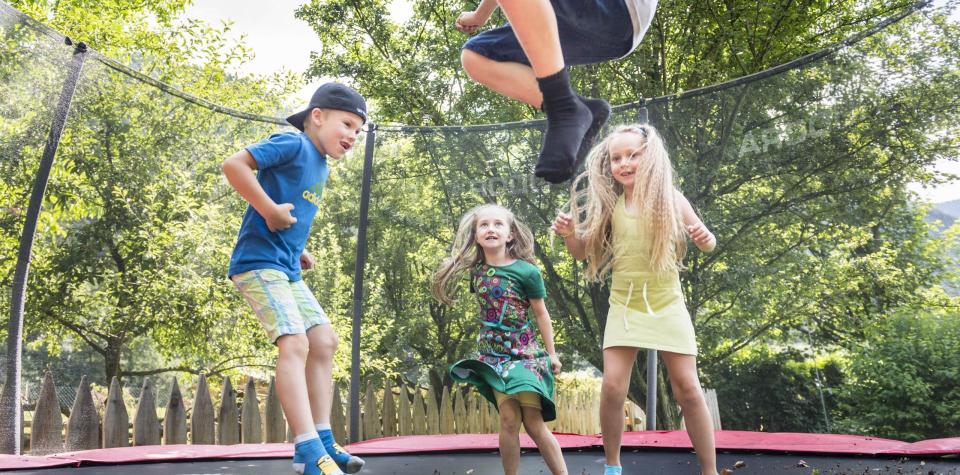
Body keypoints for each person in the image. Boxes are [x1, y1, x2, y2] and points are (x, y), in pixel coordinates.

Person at [551, 124, 719, 475]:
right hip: (625, 305)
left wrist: (705, 238)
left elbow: (707, 242)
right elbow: (581, 252)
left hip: (666, 302)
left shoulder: (670, 198)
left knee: (688, 388)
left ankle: (709, 470)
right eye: (616, 158)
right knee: (613, 387)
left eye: (632, 155)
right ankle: (612, 467)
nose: (624, 164)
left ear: (650, 156)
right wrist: (569, 234)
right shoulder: (609, 205)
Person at [223, 83, 368, 475]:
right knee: (295, 342)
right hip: (258, 262)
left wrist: (296, 247)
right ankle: (307, 448)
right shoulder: (293, 143)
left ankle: (322, 439)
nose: (353, 135)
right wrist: (269, 210)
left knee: (324, 340)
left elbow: (291, 216)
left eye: (358, 131)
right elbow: (234, 165)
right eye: (347, 124)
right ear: (317, 116)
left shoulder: (320, 164)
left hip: (285, 266)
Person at [455, 0, 658, 183]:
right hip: (603, 32)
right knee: (476, 56)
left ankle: (561, 103)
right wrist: (479, 16)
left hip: (616, 10)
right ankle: (579, 110)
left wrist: (479, 16)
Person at [433, 204, 568, 475]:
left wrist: (552, 353)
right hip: (494, 356)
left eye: (498, 224)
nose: (491, 229)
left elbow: (541, 314)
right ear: (476, 235)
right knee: (508, 420)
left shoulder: (527, 272)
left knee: (533, 422)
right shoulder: (478, 273)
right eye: (484, 225)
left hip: (525, 354)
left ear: (510, 235)